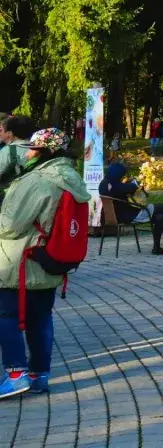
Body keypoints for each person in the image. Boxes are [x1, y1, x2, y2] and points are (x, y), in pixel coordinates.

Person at [0, 128, 90, 398]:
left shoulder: (37, 180)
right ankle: (40, 376)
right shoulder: (71, 178)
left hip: (18, 263)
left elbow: (10, 225)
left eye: (32, 149)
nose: (27, 153)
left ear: (44, 152)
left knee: (7, 317)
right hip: (49, 261)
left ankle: (16, 375)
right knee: (41, 319)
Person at [98, 162, 163, 254]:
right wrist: (133, 182)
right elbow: (132, 187)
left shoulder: (103, 184)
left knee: (160, 217)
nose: (122, 177)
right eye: (121, 175)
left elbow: (122, 189)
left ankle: (162, 244)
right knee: (161, 208)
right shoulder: (115, 185)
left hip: (111, 217)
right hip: (128, 216)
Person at [0, 115, 38, 205]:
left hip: (10, 199)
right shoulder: (40, 150)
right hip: (35, 196)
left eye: (1, 130)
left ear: (10, 132)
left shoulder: (7, 151)